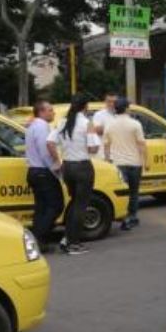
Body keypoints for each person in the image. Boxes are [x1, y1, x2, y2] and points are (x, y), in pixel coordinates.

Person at [55, 94, 97, 255]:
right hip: (82, 167)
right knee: (80, 205)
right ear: (85, 106)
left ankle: (67, 238)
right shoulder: (86, 123)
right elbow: (93, 148)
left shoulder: (62, 122)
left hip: (67, 166)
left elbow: (50, 142)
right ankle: (73, 243)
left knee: (74, 203)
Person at [25, 99, 63, 253]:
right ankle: (38, 238)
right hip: (43, 172)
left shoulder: (33, 125)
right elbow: (45, 151)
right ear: (41, 112)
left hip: (34, 171)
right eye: (50, 110)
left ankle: (38, 239)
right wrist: (56, 168)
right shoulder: (42, 127)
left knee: (41, 208)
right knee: (56, 205)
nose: (53, 112)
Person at [105, 98, 147, 230]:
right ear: (127, 109)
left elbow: (106, 145)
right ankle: (132, 217)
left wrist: (107, 160)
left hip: (117, 163)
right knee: (134, 192)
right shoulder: (135, 124)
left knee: (122, 192)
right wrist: (145, 161)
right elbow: (142, 144)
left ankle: (123, 216)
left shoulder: (109, 125)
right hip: (134, 162)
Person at [91, 91, 119, 161]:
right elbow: (97, 130)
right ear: (105, 102)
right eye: (109, 101)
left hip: (119, 155)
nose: (112, 104)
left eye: (114, 102)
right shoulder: (99, 114)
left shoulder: (121, 114)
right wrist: (115, 128)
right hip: (103, 155)